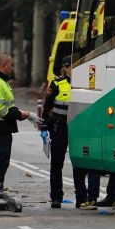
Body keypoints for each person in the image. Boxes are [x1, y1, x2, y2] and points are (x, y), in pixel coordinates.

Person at [0, 53, 33, 194]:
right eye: (11, 65)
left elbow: (7, 107)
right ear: (3, 66)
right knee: (0, 161)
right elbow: (0, 109)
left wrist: (21, 114)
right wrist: (20, 114)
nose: (13, 68)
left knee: (1, 160)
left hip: (0, 129)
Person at [42, 55, 74, 208]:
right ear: (66, 68)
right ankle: (56, 197)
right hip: (59, 126)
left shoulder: (84, 83)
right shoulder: (56, 83)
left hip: (77, 128)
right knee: (57, 163)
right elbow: (47, 107)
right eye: (73, 66)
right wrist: (44, 127)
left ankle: (82, 198)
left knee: (79, 164)